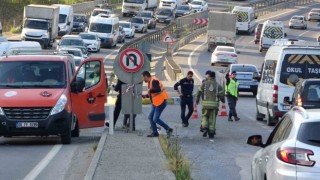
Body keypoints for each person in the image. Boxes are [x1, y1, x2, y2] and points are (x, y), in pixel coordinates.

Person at [142, 71, 173, 138]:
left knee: (155, 119)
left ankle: (168, 129)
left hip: (160, 102)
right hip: (155, 102)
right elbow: (154, 93)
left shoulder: (154, 80)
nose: (142, 79)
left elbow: (158, 89)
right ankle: (155, 132)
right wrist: (146, 96)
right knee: (150, 117)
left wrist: (150, 91)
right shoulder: (150, 82)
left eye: (142, 78)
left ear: (145, 76)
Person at [196, 71, 225, 139]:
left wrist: (197, 101)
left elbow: (198, 93)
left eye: (207, 76)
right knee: (212, 119)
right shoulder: (218, 85)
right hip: (214, 106)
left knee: (205, 117)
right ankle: (211, 133)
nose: (206, 77)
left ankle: (205, 127)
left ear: (210, 76)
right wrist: (223, 101)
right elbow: (222, 95)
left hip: (205, 105)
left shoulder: (204, 84)